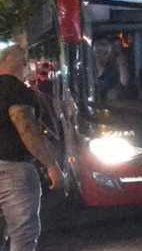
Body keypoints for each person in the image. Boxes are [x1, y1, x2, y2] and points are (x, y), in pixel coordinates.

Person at [0, 46, 62, 251]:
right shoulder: (15, 89)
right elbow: (25, 126)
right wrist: (51, 164)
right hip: (12, 169)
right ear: (10, 60)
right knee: (23, 232)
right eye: (23, 58)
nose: (27, 62)